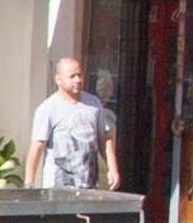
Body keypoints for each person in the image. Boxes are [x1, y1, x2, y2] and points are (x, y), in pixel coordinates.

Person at [25, 57, 121, 191]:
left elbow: (104, 139)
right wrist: (29, 183)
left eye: (79, 75)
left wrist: (112, 168)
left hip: (89, 184)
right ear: (58, 79)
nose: (78, 80)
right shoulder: (48, 108)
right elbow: (37, 146)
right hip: (58, 186)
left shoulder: (93, 104)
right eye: (72, 76)